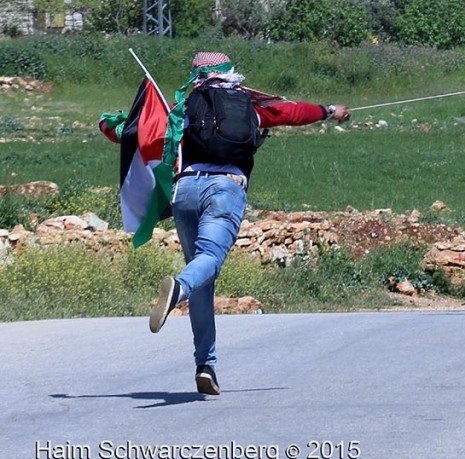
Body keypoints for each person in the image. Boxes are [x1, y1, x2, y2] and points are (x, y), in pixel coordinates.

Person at [101, 52, 351, 395]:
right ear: (229, 72)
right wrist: (329, 110)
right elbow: (290, 112)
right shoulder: (246, 103)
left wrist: (107, 124)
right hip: (226, 189)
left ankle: (206, 366)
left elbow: (128, 132)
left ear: (196, 75)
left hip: (185, 190)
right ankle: (178, 289)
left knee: (203, 274)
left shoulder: (183, 109)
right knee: (209, 261)